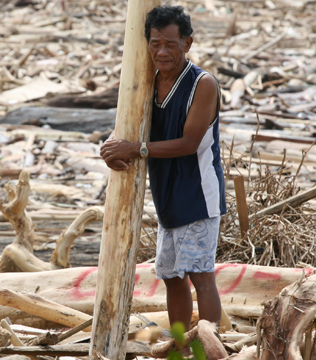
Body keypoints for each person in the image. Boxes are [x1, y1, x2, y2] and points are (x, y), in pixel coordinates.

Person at [100, 5, 226, 331]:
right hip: (167, 194)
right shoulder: (147, 82)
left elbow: (188, 143)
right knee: (171, 276)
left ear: (188, 43)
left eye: (170, 43)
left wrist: (136, 150)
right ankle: (182, 346)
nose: (162, 51)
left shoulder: (203, 84)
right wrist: (113, 146)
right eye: (155, 43)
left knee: (201, 275)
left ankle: (211, 347)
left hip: (198, 192)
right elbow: (130, 127)